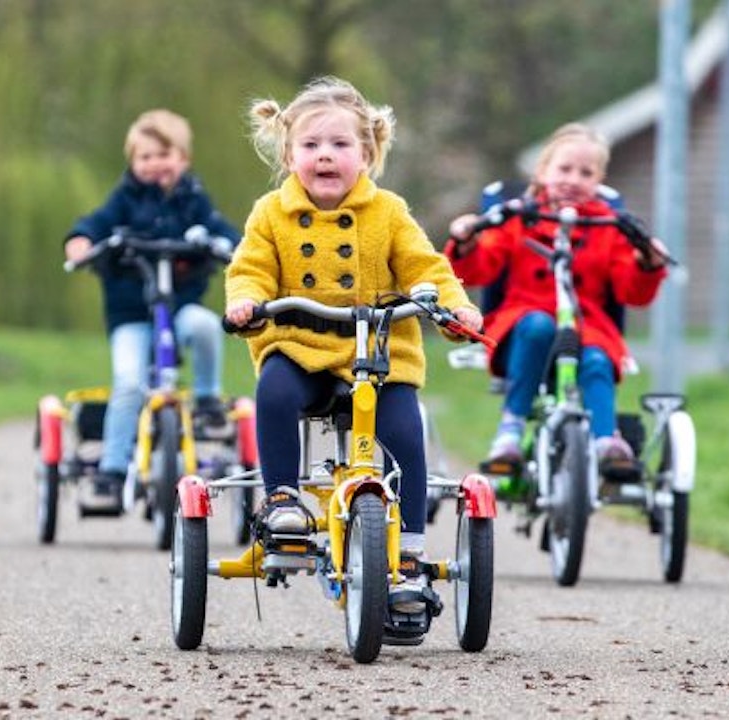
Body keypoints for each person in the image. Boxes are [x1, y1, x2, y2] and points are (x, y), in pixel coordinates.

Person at [224, 76, 481, 612]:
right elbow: (249, 268)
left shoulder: (387, 211)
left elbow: (424, 268)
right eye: (311, 146)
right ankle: (282, 501)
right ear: (289, 153)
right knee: (272, 394)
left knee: (408, 434)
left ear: (366, 153)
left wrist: (453, 307)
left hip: (378, 356)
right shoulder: (271, 213)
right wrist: (247, 301)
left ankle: (408, 554)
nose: (325, 156)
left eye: (339, 145)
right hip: (300, 346)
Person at [445, 122, 669, 468]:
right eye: (564, 168)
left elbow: (630, 290)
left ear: (599, 182)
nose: (573, 179)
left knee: (597, 361)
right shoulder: (520, 217)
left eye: (586, 173)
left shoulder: (608, 227)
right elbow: (480, 268)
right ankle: (511, 429)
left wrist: (646, 263)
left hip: (586, 328)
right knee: (538, 327)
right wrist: (466, 242)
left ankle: (606, 441)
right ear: (543, 171)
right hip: (524, 323)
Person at [65, 108, 241, 511]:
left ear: (183, 159)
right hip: (132, 317)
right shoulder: (125, 200)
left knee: (207, 327)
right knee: (128, 383)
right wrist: (81, 242)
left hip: (179, 310)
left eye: (164, 154)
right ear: (132, 162)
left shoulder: (193, 201)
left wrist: (236, 246)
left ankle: (208, 399)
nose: (154, 164)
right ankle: (112, 470)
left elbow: (222, 229)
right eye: (145, 157)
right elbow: (95, 224)